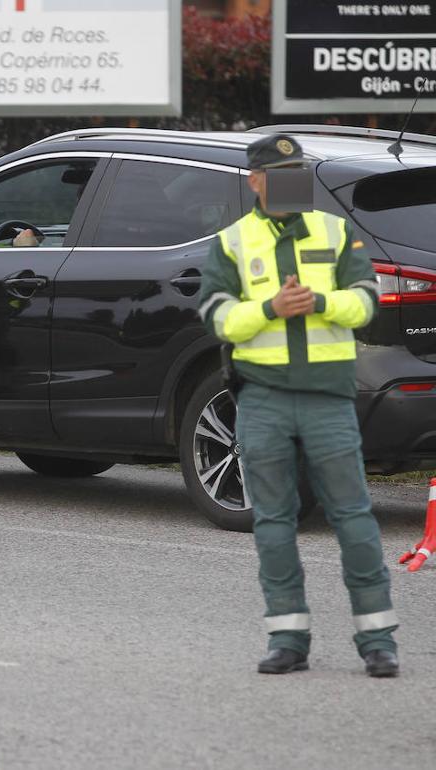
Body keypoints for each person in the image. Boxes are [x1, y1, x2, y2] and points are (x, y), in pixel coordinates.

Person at [198, 134, 399, 677]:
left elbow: (367, 302)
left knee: (353, 516)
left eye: (298, 173)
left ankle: (378, 638)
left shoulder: (334, 232)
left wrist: (320, 301)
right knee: (273, 521)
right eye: (281, 174)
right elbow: (217, 317)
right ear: (256, 181)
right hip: (261, 399)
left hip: (328, 399)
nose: (292, 182)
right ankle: (288, 637)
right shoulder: (233, 242)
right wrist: (270, 306)